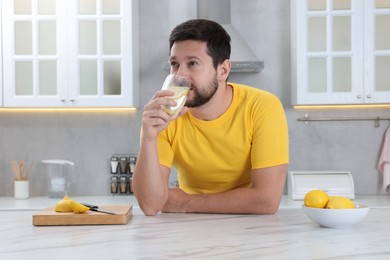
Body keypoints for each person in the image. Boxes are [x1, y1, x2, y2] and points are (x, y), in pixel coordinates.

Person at [133, 19, 289, 216]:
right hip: (186, 229)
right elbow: (150, 205)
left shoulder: (262, 107)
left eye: (192, 64)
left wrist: (184, 203)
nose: (180, 74)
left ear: (223, 70)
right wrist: (149, 137)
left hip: (249, 227)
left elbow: (266, 201)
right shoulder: (164, 115)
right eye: (174, 64)